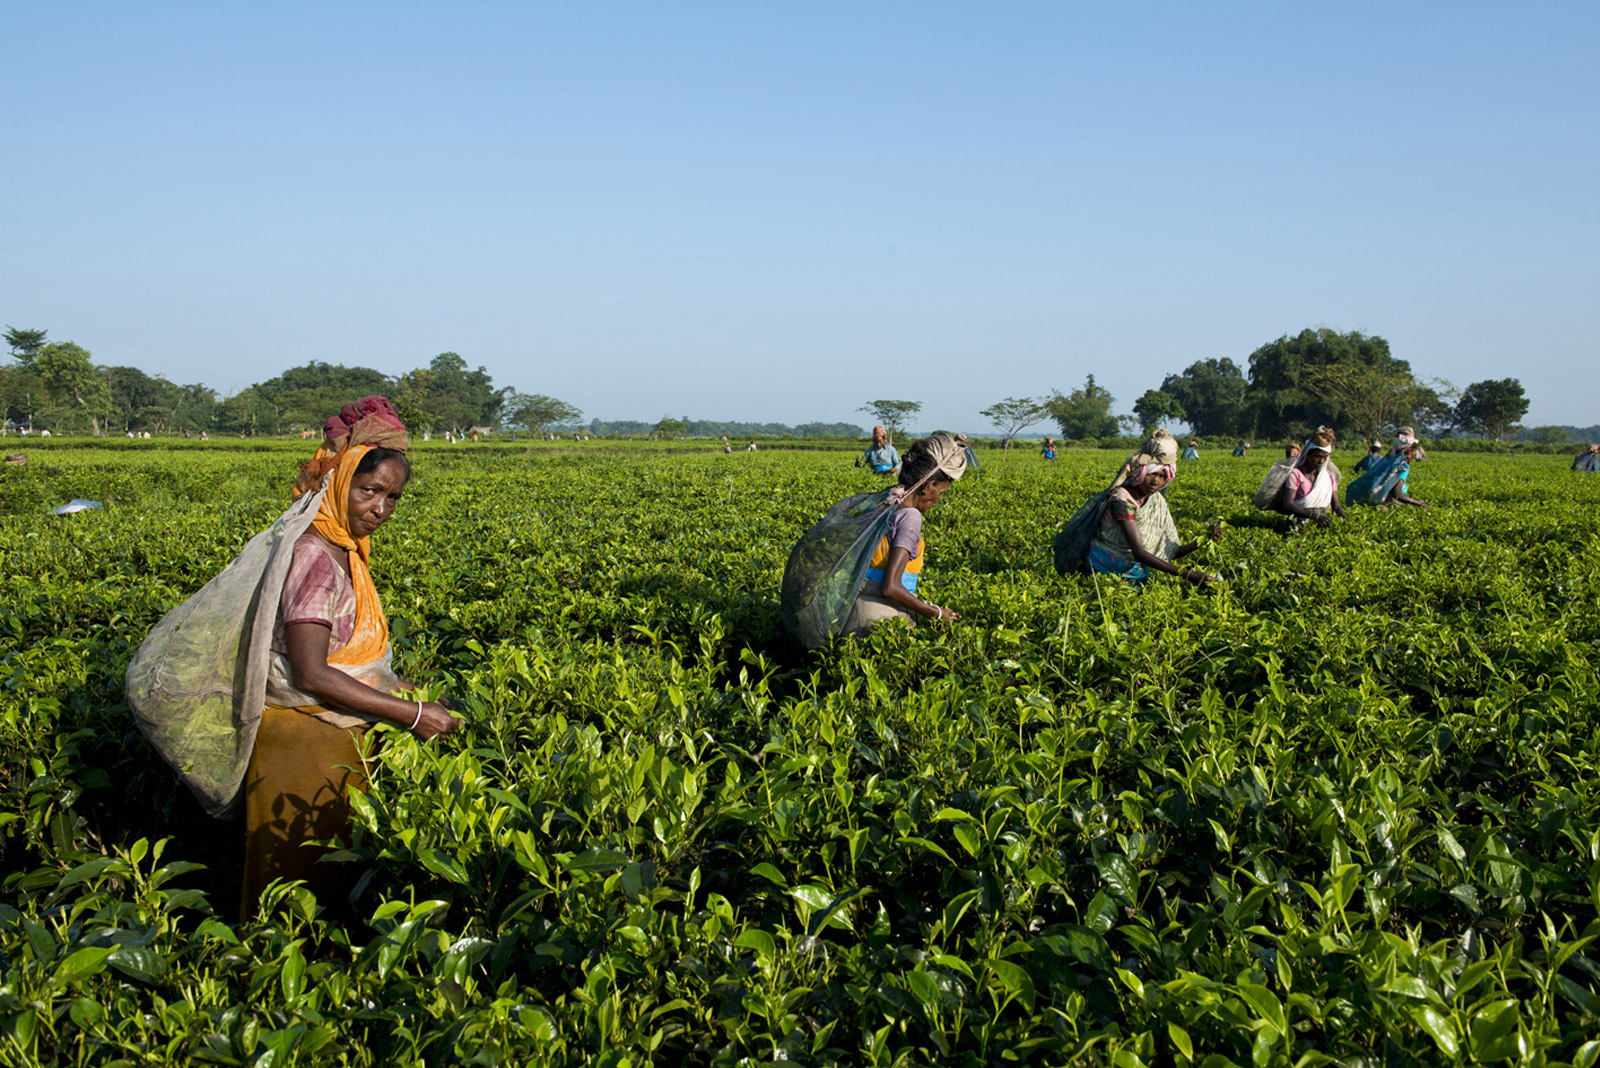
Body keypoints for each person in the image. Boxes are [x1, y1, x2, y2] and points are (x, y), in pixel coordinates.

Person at [246, 397, 460, 919]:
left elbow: (343, 657)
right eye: (370, 491)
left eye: (392, 498)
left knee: (333, 881)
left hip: (330, 737)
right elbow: (312, 671)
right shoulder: (315, 555)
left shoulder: (342, 546)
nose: (380, 509)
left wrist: (395, 686)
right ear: (339, 481)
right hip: (302, 743)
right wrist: (412, 714)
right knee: (296, 888)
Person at [842, 434, 969, 636]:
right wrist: (937, 613)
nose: (938, 499)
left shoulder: (889, 500)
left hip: (855, 612)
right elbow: (890, 587)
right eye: (941, 492)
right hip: (881, 621)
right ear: (929, 487)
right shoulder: (910, 517)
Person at [1081, 432, 1221, 586]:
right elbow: (1139, 552)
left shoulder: (1155, 500)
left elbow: (1169, 551)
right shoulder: (1122, 500)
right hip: (1106, 570)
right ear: (1140, 473)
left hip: (1134, 572)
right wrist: (1189, 575)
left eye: (1162, 477)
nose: (1156, 482)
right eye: (1152, 474)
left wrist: (1203, 540)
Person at [1271, 427, 1346, 531]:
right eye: (1317, 456)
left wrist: (1346, 522)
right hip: (1298, 523)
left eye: (1325, 457)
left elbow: (1336, 506)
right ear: (1307, 455)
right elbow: (1288, 504)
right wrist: (1316, 517)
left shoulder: (1329, 476)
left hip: (1322, 523)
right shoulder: (1296, 474)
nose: (1321, 461)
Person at [1345, 427, 1431, 509]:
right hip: (1384, 503)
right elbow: (1397, 494)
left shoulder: (1388, 458)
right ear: (1411, 452)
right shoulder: (1402, 466)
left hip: (1370, 499)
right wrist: (1421, 504)